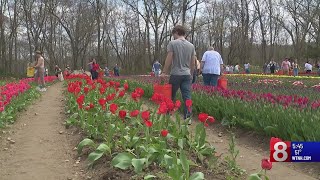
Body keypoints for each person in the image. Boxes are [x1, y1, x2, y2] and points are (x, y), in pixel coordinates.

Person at [162, 25, 195, 123]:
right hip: (186, 74)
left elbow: (169, 58)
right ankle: (188, 118)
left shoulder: (173, 43)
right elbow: (192, 62)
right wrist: (191, 73)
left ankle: (168, 115)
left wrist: (164, 72)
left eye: (173, 34)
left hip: (175, 73)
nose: (173, 36)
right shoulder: (191, 45)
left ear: (176, 32)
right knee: (187, 96)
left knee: (171, 95)